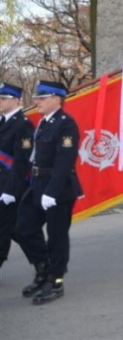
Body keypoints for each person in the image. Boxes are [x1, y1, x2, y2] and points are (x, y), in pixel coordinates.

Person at [15, 80, 80, 304]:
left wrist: (52, 192)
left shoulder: (66, 124)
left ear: (56, 98)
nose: (36, 101)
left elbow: (64, 161)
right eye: (37, 97)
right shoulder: (43, 122)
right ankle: (43, 269)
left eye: (41, 97)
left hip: (59, 189)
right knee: (23, 228)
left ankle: (56, 281)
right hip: (38, 183)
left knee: (57, 237)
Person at [0, 83, 35, 285]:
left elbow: (22, 161)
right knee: (15, 230)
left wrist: (10, 190)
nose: (0, 102)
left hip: (11, 186)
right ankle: (42, 261)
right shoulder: (3, 121)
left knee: (5, 229)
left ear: (16, 100)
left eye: (4, 98)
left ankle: (43, 262)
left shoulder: (22, 124)